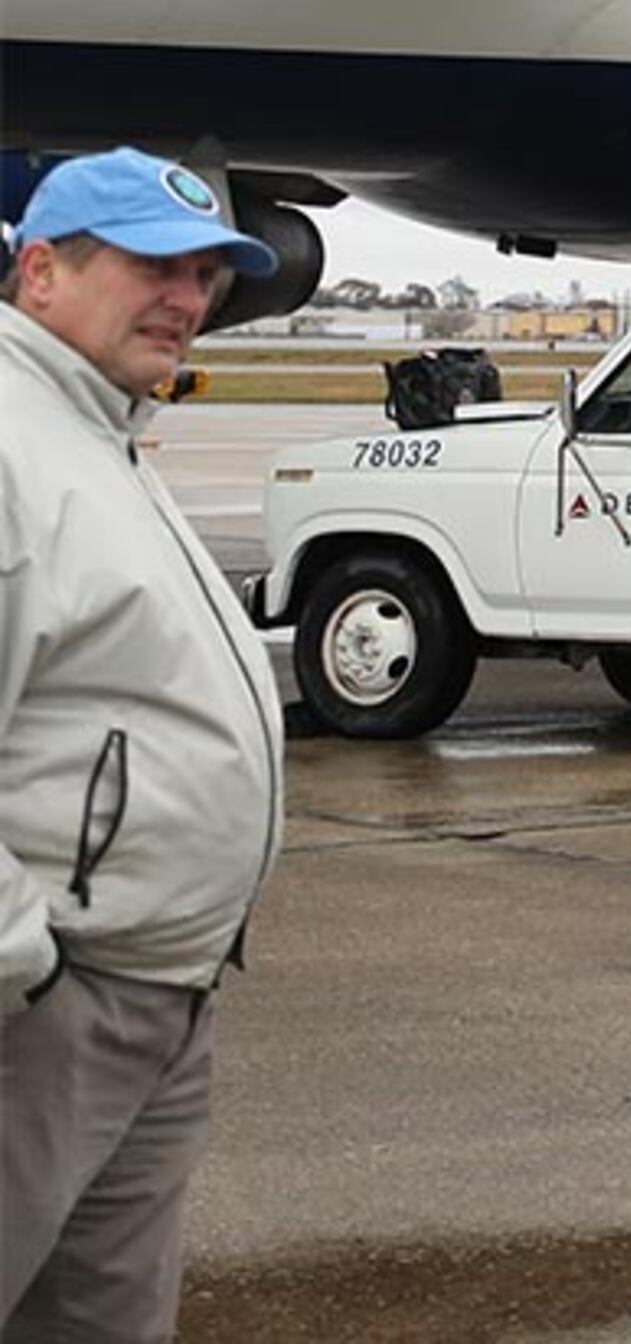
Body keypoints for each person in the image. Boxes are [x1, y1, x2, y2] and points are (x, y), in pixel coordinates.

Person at [1, 151, 287, 1337]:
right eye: (151, 266)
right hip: (50, 1007)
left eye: (206, 273)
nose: (187, 296)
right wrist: (25, 968)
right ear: (40, 272)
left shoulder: (94, 428)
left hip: (158, 993)